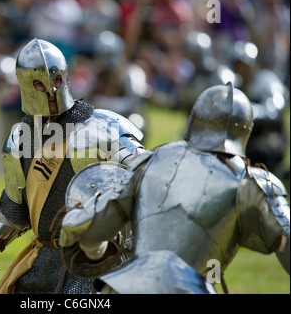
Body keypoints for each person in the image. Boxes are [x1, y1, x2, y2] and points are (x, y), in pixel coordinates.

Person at [0, 38, 145, 294]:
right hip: (42, 263)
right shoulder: (19, 141)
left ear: (64, 78)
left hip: (99, 265)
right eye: (40, 85)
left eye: (55, 81)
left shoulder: (104, 128)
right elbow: (14, 211)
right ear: (25, 86)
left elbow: (147, 179)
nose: (51, 91)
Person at [59, 82, 290, 294]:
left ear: (195, 119)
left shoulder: (151, 161)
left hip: (122, 287)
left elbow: (82, 227)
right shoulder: (254, 182)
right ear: (245, 131)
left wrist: (94, 251)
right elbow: (286, 239)